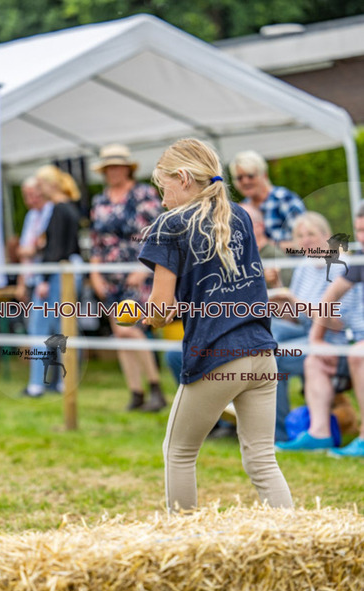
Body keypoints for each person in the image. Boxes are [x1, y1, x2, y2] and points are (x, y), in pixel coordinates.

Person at [139, 138, 293, 512]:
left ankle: (183, 538)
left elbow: (161, 308)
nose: (163, 199)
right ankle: (291, 534)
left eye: (163, 186)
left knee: (178, 451)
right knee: (263, 459)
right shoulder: (238, 215)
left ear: (183, 177)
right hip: (261, 351)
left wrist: (149, 316)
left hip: (216, 353)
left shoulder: (169, 225)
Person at [276, 205, 364, 455]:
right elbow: (328, 299)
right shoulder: (307, 266)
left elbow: (338, 320)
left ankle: (277, 431)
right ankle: (319, 433)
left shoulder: (346, 262)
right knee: (271, 338)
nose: (361, 237)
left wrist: (296, 303)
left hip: (343, 338)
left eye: (311, 234)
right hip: (326, 336)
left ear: (326, 235)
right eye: (359, 231)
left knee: (273, 354)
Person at [90, 144, 167, 412]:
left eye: (117, 166)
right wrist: (95, 273)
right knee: (119, 334)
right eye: (108, 167)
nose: (113, 171)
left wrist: (144, 267)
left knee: (128, 328)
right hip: (110, 276)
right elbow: (96, 242)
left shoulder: (144, 194)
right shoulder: (99, 201)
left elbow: (158, 234)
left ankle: (155, 386)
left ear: (127, 168)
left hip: (138, 274)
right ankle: (136, 392)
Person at [22, 165, 82, 397]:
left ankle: (37, 384)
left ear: (51, 185)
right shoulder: (70, 207)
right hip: (69, 270)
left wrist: (44, 279)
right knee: (64, 328)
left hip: (57, 273)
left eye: (40, 185)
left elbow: (56, 249)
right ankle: (65, 382)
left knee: (40, 328)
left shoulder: (58, 209)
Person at [229, 150, 304, 249]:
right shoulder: (243, 209)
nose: (245, 181)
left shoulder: (284, 199)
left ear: (264, 175)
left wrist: (268, 246)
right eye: (239, 178)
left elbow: (305, 243)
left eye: (250, 176)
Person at [16, 176, 53, 303]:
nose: (29, 200)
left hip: (47, 279)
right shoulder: (30, 216)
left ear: (41, 192)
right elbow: (22, 251)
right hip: (30, 279)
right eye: (26, 196)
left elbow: (43, 245)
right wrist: (21, 284)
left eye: (32, 195)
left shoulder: (52, 211)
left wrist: (32, 249)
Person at [240, 202, 292, 289]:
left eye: (243, 224)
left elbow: (285, 291)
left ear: (260, 226)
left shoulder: (274, 255)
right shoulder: (243, 256)